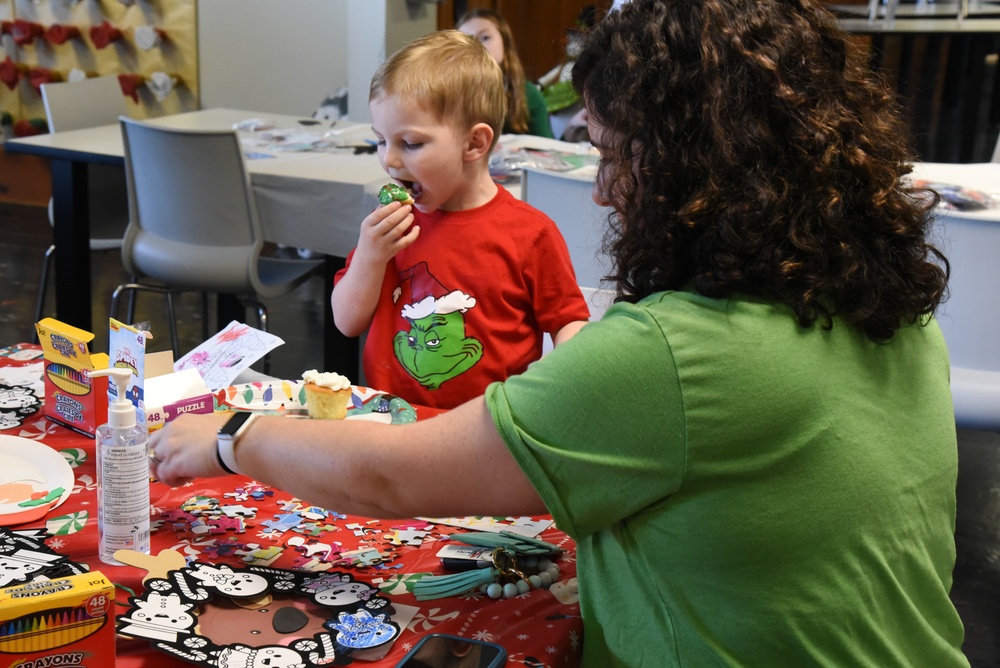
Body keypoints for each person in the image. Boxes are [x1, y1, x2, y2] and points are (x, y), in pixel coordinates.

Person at [150, 1, 969, 665]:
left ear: (691, 168)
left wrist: (237, 435)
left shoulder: (672, 356)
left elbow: (389, 480)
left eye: (613, 157)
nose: (607, 195)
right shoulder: (891, 311)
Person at [330, 30, 588, 409]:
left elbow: (570, 323)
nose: (389, 160)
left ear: (474, 143)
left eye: (411, 143)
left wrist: (547, 386)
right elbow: (346, 322)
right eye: (381, 141)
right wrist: (370, 256)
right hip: (391, 417)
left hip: (488, 430)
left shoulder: (530, 234)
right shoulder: (391, 228)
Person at [456, 9, 554, 138]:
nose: (476, 47)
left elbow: (548, 149)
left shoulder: (528, 94)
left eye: (485, 37)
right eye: (466, 42)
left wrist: (570, 131)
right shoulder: (451, 94)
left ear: (505, 43)